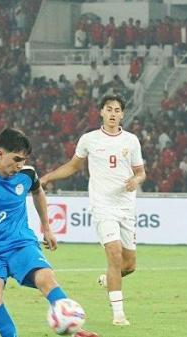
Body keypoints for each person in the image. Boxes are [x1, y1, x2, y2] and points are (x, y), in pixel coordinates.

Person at [0, 128, 98, 337]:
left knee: (47, 279)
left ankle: (75, 329)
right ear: (1, 154)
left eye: (24, 159)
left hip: (20, 243)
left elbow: (38, 191)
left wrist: (46, 228)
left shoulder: (27, 174)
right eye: (16, 159)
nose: (20, 165)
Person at [40, 94, 146, 326]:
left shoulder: (131, 141)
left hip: (126, 207)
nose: (113, 114)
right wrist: (48, 177)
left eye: (117, 110)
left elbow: (141, 171)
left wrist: (135, 180)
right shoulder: (89, 139)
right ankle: (118, 315)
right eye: (109, 109)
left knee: (129, 265)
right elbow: (73, 166)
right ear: (101, 112)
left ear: (122, 114)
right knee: (115, 257)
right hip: (103, 206)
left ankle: (108, 279)